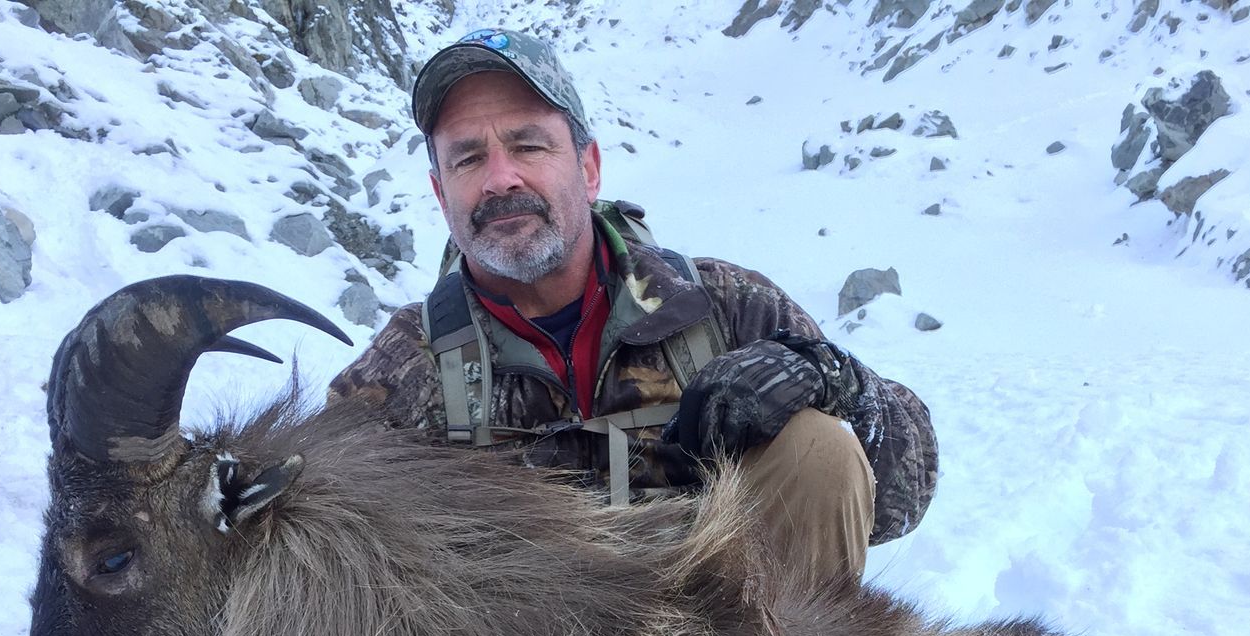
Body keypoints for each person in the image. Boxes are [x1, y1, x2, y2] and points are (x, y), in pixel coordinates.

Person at [326, 28, 938, 590]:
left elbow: (903, 498)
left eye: (528, 145)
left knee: (815, 446)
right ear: (440, 193)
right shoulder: (406, 365)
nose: (500, 178)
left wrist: (843, 385)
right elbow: (313, 537)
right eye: (467, 158)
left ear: (588, 169)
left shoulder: (723, 306)